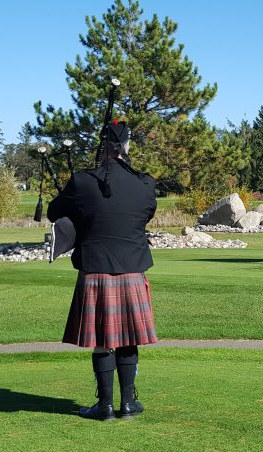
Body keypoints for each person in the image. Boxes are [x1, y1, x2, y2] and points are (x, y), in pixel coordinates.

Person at [47, 120, 157, 421]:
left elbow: (53, 212)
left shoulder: (82, 181)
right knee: (128, 337)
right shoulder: (146, 184)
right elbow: (144, 216)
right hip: (133, 270)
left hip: (95, 271)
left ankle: (105, 406)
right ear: (128, 145)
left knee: (102, 340)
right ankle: (127, 405)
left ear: (102, 145)